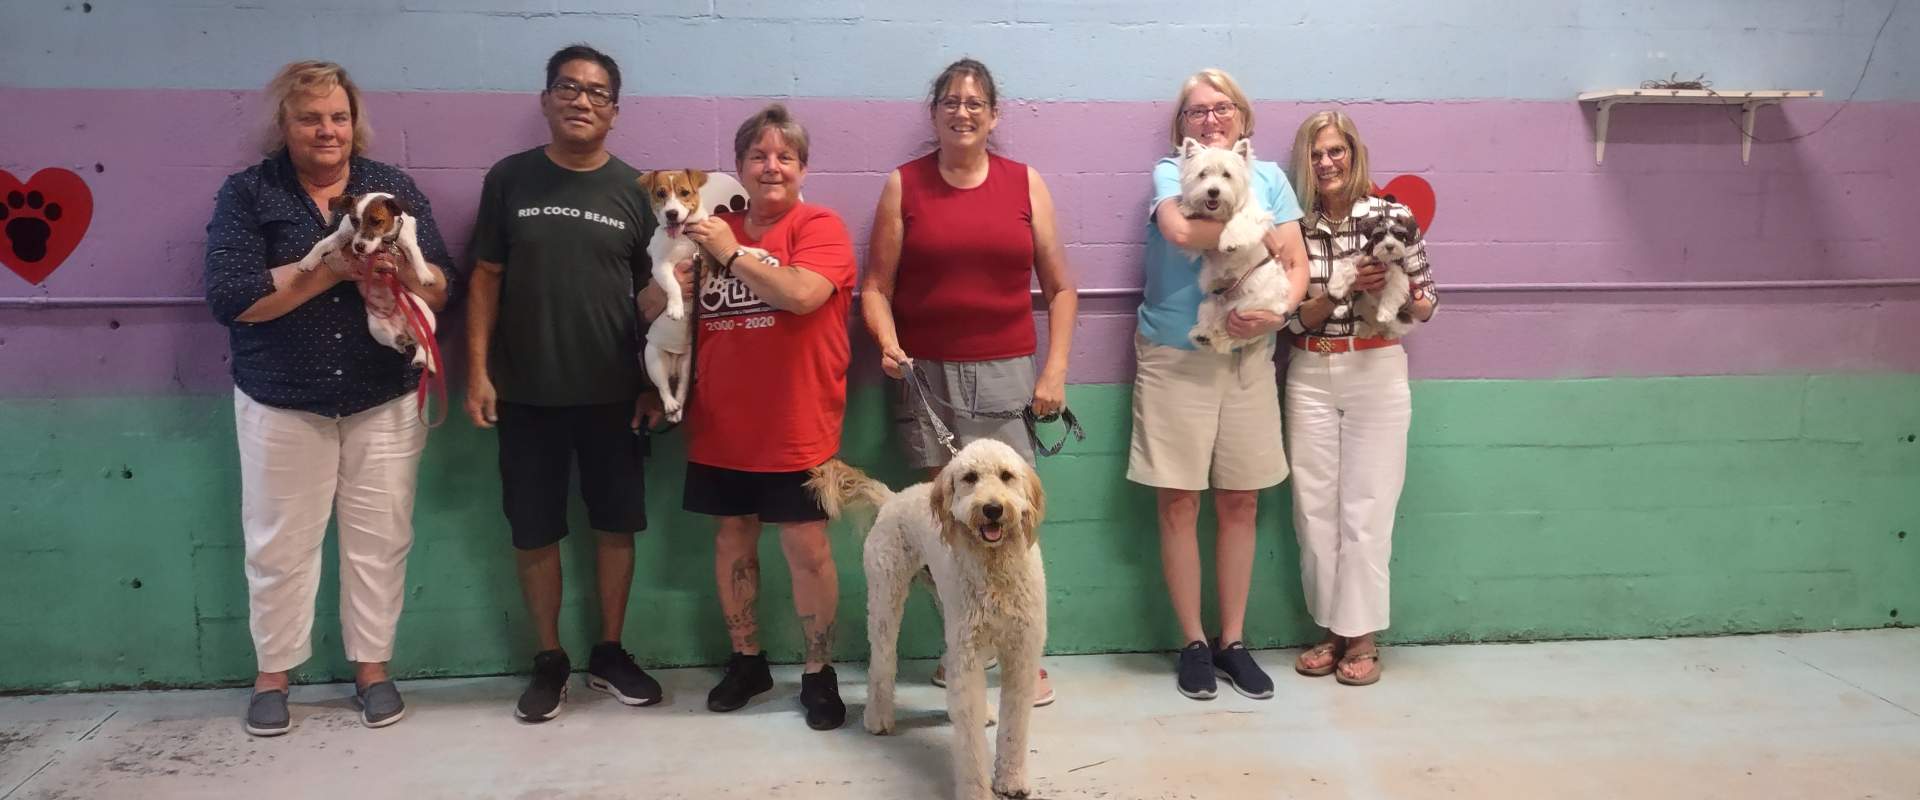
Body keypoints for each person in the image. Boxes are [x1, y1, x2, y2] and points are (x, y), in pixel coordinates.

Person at [204, 60, 452, 736]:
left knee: (382, 539)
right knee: (280, 542)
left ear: (355, 123)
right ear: (283, 124)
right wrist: (331, 272)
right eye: (310, 117)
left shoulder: (393, 189)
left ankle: (372, 670)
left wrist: (401, 269)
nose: (327, 130)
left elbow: (442, 286)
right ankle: (273, 677)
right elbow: (232, 299)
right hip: (281, 395)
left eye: (338, 117)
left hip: (384, 394)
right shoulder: (251, 194)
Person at [860, 58, 1075, 707]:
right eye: (951, 101)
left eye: (976, 102)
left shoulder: (1024, 183)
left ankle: (1017, 658)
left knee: (1010, 520)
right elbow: (875, 287)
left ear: (993, 115)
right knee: (943, 530)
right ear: (934, 113)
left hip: (1010, 376)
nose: (963, 111)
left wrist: (1055, 370)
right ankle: (963, 653)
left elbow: (1062, 289)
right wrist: (889, 342)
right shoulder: (904, 186)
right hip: (925, 380)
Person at [465, 44, 670, 722]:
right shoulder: (510, 180)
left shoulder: (639, 191)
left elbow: (655, 295)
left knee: (616, 526)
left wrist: (653, 382)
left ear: (615, 109)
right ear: (546, 98)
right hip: (524, 393)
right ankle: (549, 659)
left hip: (616, 393)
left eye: (596, 92)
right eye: (568, 88)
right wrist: (478, 371)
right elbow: (486, 277)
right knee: (534, 530)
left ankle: (609, 651)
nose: (581, 101)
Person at [1128, 68, 1311, 701]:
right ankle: (1194, 643)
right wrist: (1257, 230)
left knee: (1242, 499)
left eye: (1220, 108)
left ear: (1242, 116)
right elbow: (1181, 231)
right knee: (1179, 500)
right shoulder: (1165, 172)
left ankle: (1233, 641)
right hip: (1176, 354)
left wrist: (1280, 311)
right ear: (1183, 127)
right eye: (1196, 111)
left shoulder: (1271, 179)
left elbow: (1296, 265)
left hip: (1248, 356)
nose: (1209, 119)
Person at [680, 103, 859, 731]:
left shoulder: (820, 225)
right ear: (739, 166)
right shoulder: (709, 230)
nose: (771, 165)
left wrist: (731, 254)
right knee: (732, 538)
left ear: (803, 167)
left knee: (806, 547)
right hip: (721, 422)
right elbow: (666, 311)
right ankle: (747, 660)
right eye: (758, 155)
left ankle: (818, 671)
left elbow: (805, 295)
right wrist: (669, 283)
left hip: (797, 423)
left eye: (784, 155)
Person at [1283, 110, 1436, 687]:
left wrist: (1408, 301)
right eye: (1316, 154)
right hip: (1310, 366)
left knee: (1368, 507)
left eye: (1336, 151)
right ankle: (1330, 630)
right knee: (1313, 508)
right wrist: (1329, 297)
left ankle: (1363, 637)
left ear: (1354, 153)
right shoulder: (1292, 226)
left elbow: (1428, 300)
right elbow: (1290, 318)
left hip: (1377, 366)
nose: (1326, 162)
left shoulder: (1394, 216)